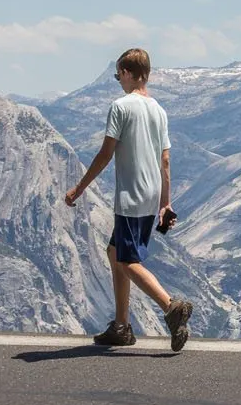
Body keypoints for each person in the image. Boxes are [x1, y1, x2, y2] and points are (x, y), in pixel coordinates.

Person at [64, 48, 193, 351]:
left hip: (131, 195)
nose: (117, 80)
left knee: (127, 260)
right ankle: (121, 326)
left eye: (117, 75)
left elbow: (106, 153)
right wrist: (166, 202)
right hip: (151, 196)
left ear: (125, 72)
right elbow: (165, 162)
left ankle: (171, 307)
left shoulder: (120, 107)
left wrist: (79, 188)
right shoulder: (159, 110)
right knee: (114, 252)